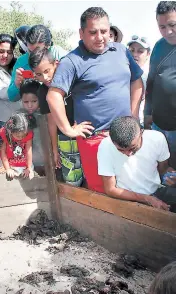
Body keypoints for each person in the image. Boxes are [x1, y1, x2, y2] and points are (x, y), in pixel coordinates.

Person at [46, 7, 143, 193]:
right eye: (93, 32)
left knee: (132, 188)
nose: (100, 37)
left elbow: (136, 81)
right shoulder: (72, 61)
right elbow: (53, 96)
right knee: (101, 192)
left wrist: (134, 114)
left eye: (104, 31)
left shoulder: (121, 51)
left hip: (127, 137)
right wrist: (68, 129)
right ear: (81, 33)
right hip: (95, 139)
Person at [29, 47, 83, 186]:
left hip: (84, 131)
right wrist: (54, 149)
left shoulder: (73, 79)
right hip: (64, 138)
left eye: (47, 71)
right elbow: (51, 121)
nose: (45, 78)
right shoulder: (43, 91)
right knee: (72, 179)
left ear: (56, 64)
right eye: (39, 74)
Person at [98, 116, 176, 212]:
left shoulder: (157, 138)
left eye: (132, 148)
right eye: (121, 150)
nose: (128, 154)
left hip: (156, 190)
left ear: (141, 132)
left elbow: (164, 169)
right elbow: (110, 189)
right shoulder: (105, 146)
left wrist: (172, 178)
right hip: (127, 198)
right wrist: (147, 199)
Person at [144, 1, 176, 170]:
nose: (168, 32)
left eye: (172, 25)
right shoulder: (158, 46)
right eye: (162, 27)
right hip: (158, 126)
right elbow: (151, 82)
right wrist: (147, 113)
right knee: (161, 173)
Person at [8, 24, 68, 102]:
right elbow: (12, 97)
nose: (33, 56)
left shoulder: (60, 55)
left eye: (39, 51)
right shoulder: (21, 63)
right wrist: (17, 85)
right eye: (30, 51)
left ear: (49, 45)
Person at [0, 34, 21, 131]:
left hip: (22, 120)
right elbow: (2, 94)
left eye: (9, 52)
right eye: (1, 51)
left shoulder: (17, 68)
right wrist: (17, 83)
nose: (5, 56)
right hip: (4, 122)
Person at [0, 113, 36, 179]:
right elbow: (2, 151)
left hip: (23, 163)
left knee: (29, 176)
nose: (21, 138)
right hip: (8, 162)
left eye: (23, 135)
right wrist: (8, 168)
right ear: (10, 131)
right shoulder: (4, 133)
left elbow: (28, 150)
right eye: (18, 136)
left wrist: (29, 168)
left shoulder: (29, 133)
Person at [128, 35, 151, 126]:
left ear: (148, 54)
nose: (135, 54)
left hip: (138, 124)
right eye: (131, 50)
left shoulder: (147, 77)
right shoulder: (123, 75)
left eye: (140, 51)